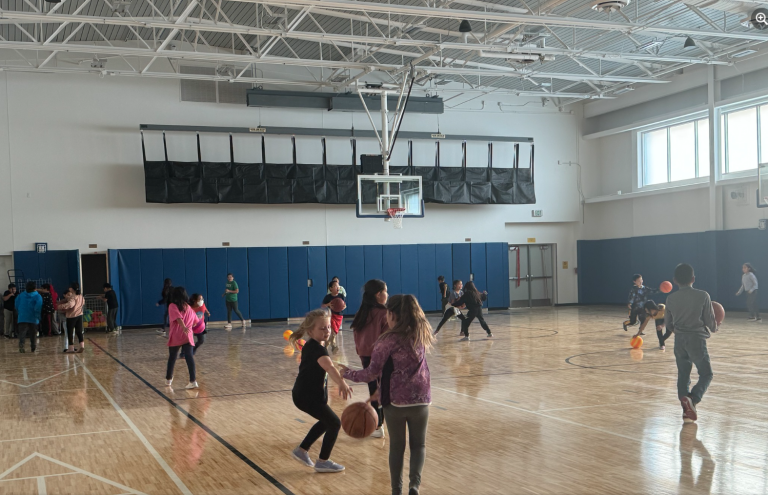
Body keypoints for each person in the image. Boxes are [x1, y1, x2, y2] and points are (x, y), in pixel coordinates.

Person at [340, 295, 434, 495]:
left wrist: (346, 373)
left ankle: (396, 490)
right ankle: (414, 486)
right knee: (419, 445)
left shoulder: (387, 340)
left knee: (397, 447)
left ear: (391, 314)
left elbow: (371, 373)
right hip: (421, 398)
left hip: (395, 401)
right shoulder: (421, 333)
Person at [289, 308, 352, 473]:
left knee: (326, 421)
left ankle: (301, 450)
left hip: (307, 395)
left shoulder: (315, 346)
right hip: (306, 396)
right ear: (310, 331)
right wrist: (341, 383)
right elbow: (329, 367)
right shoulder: (317, 349)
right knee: (334, 423)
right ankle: (323, 461)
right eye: (322, 328)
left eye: (328, 327)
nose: (327, 331)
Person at [665, 263, 719, 424]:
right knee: (706, 373)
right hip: (696, 339)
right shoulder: (703, 296)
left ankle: (686, 410)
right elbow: (710, 321)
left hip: (679, 340)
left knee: (683, 374)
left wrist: (679, 332)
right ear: (693, 279)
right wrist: (716, 327)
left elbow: (668, 324)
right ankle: (693, 399)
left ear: (675, 281)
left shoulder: (670, 298)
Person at [349, 279, 389, 438]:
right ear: (379, 294)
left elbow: (356, 336)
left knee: (374, 389)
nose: (387, 294)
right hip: (381, 356)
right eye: (386, 291)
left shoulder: (362, 312)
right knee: (383, 390)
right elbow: (388, 338)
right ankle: (380, 425)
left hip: (365, 356)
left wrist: (361, 352)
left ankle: (378, 425)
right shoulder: (384, 313)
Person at [165, 286, 199, 390]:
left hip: (177, 335)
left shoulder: (172, 306)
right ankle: (193, 381)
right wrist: (189, 326)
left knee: (172, 357)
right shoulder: (188, 307)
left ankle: (169, 379)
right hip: (187, 336)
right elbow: (196, 321)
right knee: (189, 358)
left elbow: (178, 317)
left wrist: (184, 326)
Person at [16, 281, 42, 353]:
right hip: (33, 317)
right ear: (35, 288)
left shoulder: (21, 295)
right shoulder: (37, 296)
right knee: (33, 333)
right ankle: (33, 347)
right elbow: (38, 307)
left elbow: (16, 304)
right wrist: (38, 316)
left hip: (22, 317)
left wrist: (20, 312)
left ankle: (21, 346)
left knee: (22, 333)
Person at [58, 283, 85, 353]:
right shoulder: (80, 296)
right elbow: (83, 303)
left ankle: (71, 348)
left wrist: (60, 306)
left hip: (71, 316)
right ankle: (82, 345)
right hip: (80, 315)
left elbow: (70, 305)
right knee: (79, 331)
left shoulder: (73, 297)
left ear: (71, 289)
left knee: (70, 332)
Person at [181, 293, 209, 358]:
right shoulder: (189, 308)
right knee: (186, 340)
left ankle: (193, 349)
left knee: (201, 340)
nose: (201, 300)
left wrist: (207, 313)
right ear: (194, 300)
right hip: (190, 325)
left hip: (199, 326)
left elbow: (205, 309)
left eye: (202, 299)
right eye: (199, 299)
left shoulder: (202, 305)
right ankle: (183, 353)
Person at [322, 280, 345, 353]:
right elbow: (322, 306)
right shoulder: (328, 297)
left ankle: (326, 346)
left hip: (339, 316)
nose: (337, 287)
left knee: (334, 332)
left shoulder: (341, 296)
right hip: (331, 315)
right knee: (332, 332)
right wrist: (328, 304)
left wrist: (343, 306)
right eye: (335, 286)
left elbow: (344, 305)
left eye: (338, 286)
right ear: (330, 288)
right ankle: (333, 345)